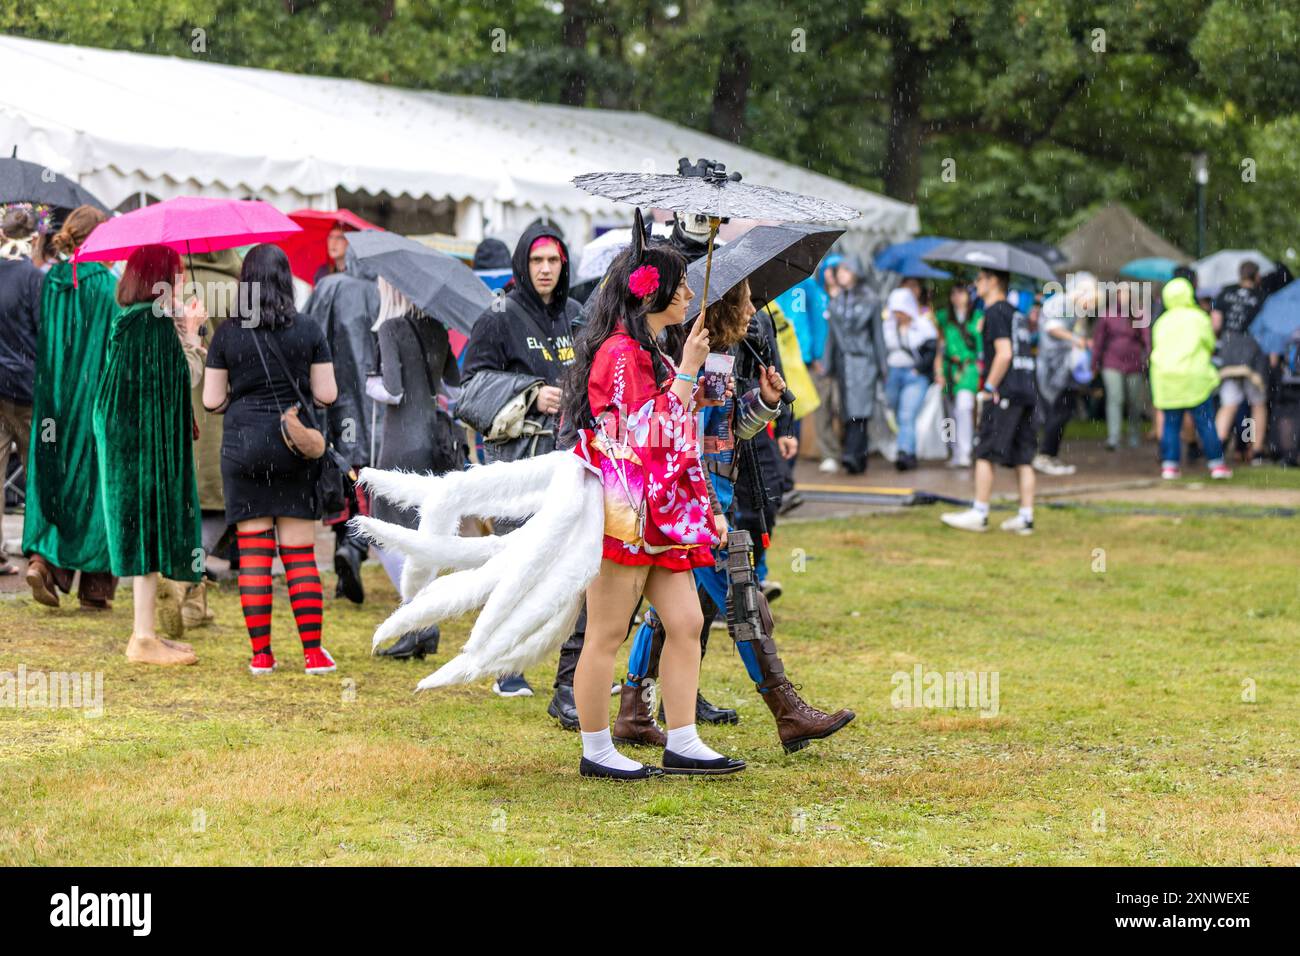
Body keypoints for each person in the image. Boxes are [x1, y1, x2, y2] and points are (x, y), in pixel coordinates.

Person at [613, 279, 854, 754]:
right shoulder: (687, 357)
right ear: (723, 305)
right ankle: (787, 712)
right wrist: (711, 512)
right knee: (745, 597)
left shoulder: (723, 356)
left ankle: (633, 711)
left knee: (679, 609)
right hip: (693, 505)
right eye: (746, 300)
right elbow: (684, 444)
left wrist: (762, 401)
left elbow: (725, 434)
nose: (753, 309)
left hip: (706, 501)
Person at [561, 227, 744, 779]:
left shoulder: (652, 351)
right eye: (681, 286)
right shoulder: (620, 354)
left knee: (686, 622)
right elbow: (644, 434)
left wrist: (705, 503)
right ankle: (596, 750)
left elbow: (679, 432)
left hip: (661, 515)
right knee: (607, 633)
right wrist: (688, 369)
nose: (689, 295)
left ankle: (683, 740)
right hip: (625, 512)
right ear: (650, 293)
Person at [202, 244, 340, 675]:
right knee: (299, 555)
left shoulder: (226, 333)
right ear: (286, 279)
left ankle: (262, 655)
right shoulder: (309, 329)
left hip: (242, 446)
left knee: (255, 555)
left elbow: (211, 401)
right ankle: (314, 653)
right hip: (292, 444)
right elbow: (326, 395)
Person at [458, 222, 580, 703]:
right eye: (537, 261)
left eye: (553, 261)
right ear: (522, 265)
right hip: (518, 461)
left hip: (569, 457)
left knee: (569, 563)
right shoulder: (498, 315)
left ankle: (572, 670)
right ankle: (505, 666)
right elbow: (469, 388)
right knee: (518, 563)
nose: (545, 269)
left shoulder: (575, 314)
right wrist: (531, 393)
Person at [93, 244, 207, 665]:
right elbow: (182, 380)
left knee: (146, 528)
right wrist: (192, 334)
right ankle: (142, 638)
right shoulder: (153, 321)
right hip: (140, 443)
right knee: (148, 528)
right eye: (175, 273)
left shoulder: (133, 316)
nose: (179, 280)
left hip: (126, 437)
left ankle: (147, 633)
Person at [21, 205, 120, 609]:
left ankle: (45, 562)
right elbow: (116, 346)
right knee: (97, 487)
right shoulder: (109, 285)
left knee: (57, 481)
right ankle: (95, 587)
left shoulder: (53, 280)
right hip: (95, 400)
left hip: (53, 401)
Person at [364, 276, 462, 659]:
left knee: (387, 532)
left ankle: (418, 620)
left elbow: (392, 390)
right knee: (422, 535)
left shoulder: (389, 328)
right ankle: (423, 622)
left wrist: (369, 381)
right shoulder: (437, 328)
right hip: (432, 443)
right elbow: (454, 389)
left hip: (399, 443)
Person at [166, 247, 243, 631]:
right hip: (223, 415)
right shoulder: (239, 292)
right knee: (216, 509)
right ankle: (185, 579)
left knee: (189, 504)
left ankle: (194, 602)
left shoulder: (176, 293)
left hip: (183, 412)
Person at [303, 247, 379, 606]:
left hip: (328, 398)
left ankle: (347, 555)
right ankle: (355, 545)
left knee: (336, 476)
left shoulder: (326, 286)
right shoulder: (379, 295)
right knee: (364, 480)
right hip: (368, 404)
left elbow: (304, 332)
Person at [941, 268, 1038, 534]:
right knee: (1023, 456)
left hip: (1004, 392)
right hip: (1026, 388)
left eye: (980, 279)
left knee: (984, 451)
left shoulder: (994, 311)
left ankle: (980, 512)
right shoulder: (1016, 313)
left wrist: (989, 387)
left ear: (994, 281)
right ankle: (1026, 517)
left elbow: (1004, 354)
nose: (976, 284)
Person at [1149, 276, 1232, 481]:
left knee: (1171, 423)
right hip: (1194, 378)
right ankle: (1216, 465)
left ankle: (1170, 466)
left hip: (1167, 378)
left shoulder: (1161, 322)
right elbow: (1210, 344)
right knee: (1205, 422)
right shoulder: (1199, 318)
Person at [0, 207, 44, 578]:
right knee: (35, 472)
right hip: (27, 389)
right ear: (33, 238)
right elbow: (45, 333)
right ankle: (36, 552)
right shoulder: (34, 278)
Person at [825, 255, 886, 474]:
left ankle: (853, 454)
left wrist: (882, 365)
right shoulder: (836, 301)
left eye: (845, 269)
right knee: (848, 410)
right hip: (843, 364)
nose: (840, 274)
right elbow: (832, 337)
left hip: (863, 363)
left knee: (860, 410)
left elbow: (877, 336)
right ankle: (855, 456)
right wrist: (828, 364)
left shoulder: (871, 300)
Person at [1034, 273, 1097, 476]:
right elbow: (1052, 327)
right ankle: (1044, 456)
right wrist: (1076, 340)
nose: (1090, 306)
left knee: (1063, 411)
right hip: (1053, 370)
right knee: (1057, 412)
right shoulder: (1061, 303)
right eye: (1090, 300)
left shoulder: (1072, 308)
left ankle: (1049, 455)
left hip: (1063, 370)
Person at [1212, 260, 1268, 465]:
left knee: (1228, 403)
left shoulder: (1225, 293)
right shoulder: (1262, 297)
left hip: (1228, 351)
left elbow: (1215, 323)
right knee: (1257, 404)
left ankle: (1215, 450)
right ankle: (1257, 451)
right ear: (1257, 276)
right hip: (1253, 352)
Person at [882, 285, 938, 471]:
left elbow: (931, 351)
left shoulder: (923, 326)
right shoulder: (888, 326)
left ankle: (904, 453)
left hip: (914, 375)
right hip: (893, 373)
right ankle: (908, 448)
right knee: (896, 411)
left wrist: (919, 369)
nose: (898, 315)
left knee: (907, 412)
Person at [1091, 283, 1150, 451]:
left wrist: (1149, 355)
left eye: (1126, 294)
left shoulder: (1138, 314)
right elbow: (1099, 340)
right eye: (1120, 294)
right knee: (1115, 398)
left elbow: (1146, 337)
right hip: (1111, 363)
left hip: (1134, 363)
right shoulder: (1108, 315)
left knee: (1135, 402)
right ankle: (1114, 438)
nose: (1123, 297)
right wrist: (1094, 363)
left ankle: (1133, 435)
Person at [934, 283, 983, 468]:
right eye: (953, 292)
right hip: (949, 370)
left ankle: (965, 451)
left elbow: (981, 347)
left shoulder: (977, 317)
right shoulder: (944, 318)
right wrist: (938, 371)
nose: (957, 297)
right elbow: (940, 348)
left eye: (960, 292)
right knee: (949, 414)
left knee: (964, 407)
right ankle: (953, 451)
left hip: (968, 369)